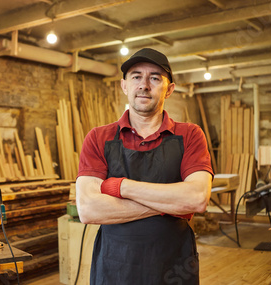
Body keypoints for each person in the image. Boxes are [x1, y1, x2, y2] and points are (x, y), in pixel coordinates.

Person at [76, 48, 214, 285]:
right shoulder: (99, 138)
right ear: (124, 86)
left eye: (155, 78)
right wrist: (171, 204)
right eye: (136, 76)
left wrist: (122, 186)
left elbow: (197, 198)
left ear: (169, 89)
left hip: (174, 266)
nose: (144, 85)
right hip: (115, 267)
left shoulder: (190, 135)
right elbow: (89, 209)